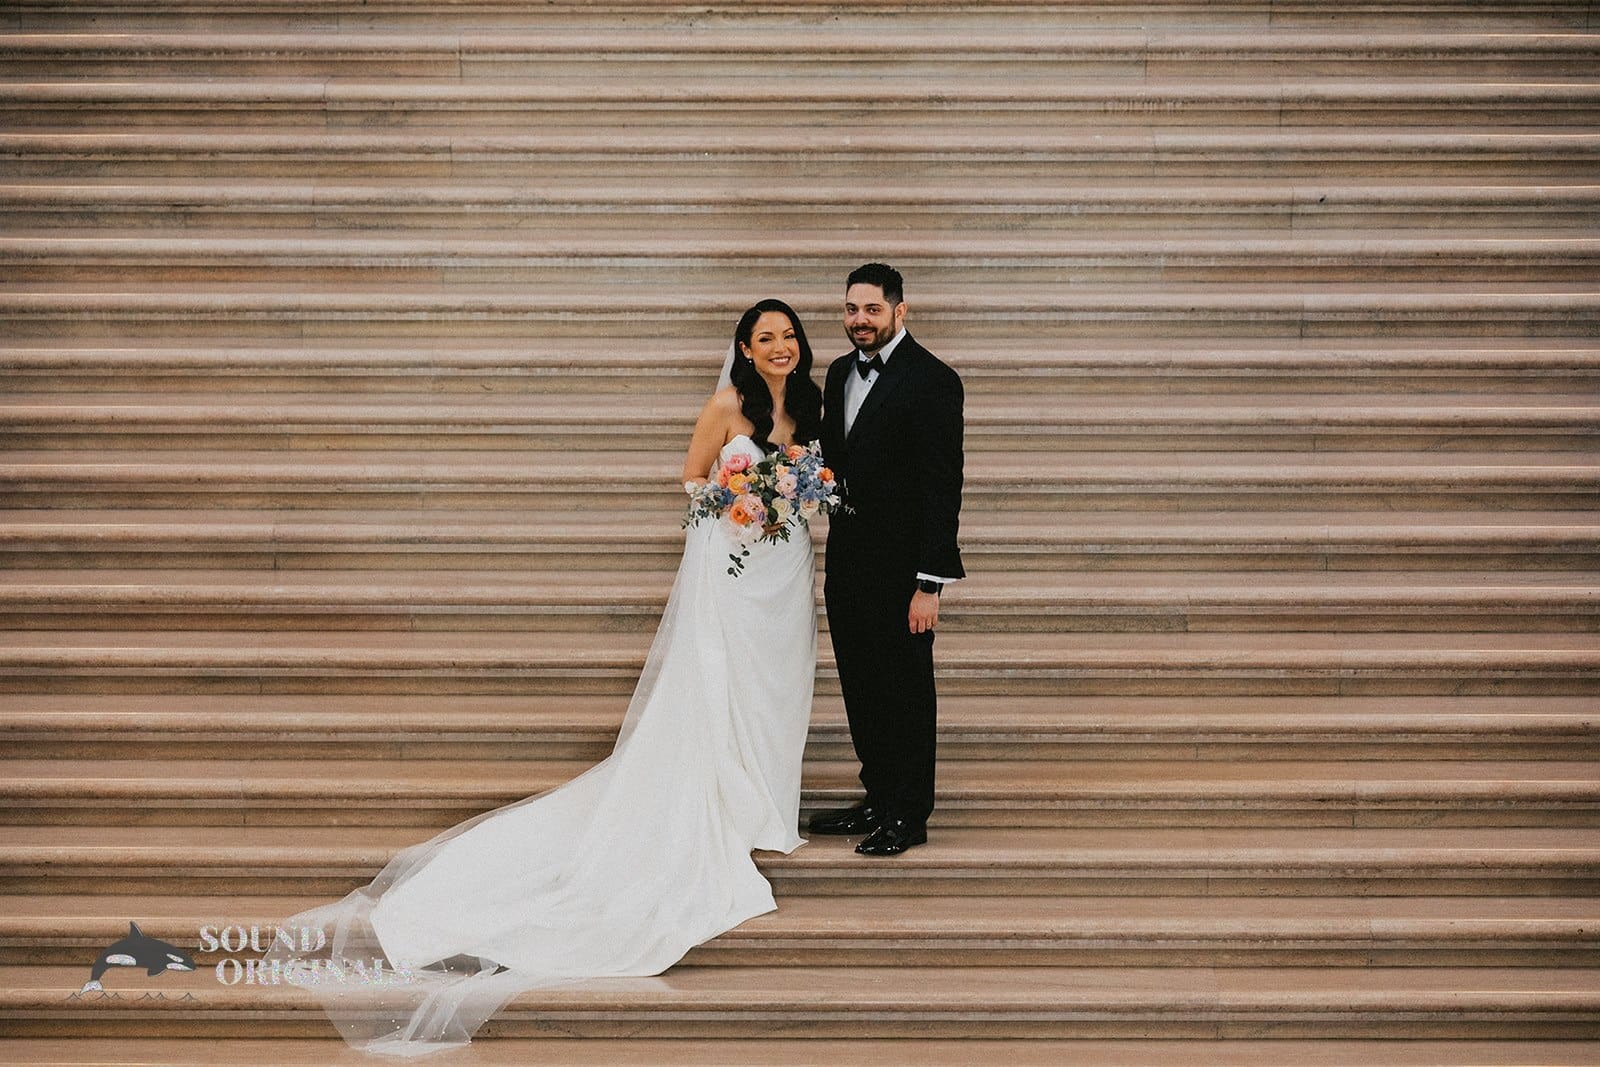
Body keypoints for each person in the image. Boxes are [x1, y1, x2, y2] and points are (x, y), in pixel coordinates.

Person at [264, 299, 824, 1055]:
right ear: (744, 348)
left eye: (789, 335)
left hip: (784, 573)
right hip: (734, 567)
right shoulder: (728, 404)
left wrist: (791, 497)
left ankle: (767, 799)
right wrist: (742, 501)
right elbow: (691, 479)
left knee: (776, 688)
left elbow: (817, 476)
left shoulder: (815, 403)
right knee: (725, 687)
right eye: (766, 338)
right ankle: (729, 798)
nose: (781, 346)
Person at [809, 263, 965, 856]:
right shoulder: (840, 373)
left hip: (905, 574)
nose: (859, 321)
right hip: (848, 563)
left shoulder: (934, 381)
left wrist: (930, 583)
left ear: (900, 311)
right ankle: (876, 795)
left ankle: (909, 813)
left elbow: (941, 487)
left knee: (904, 690)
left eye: (872, 310)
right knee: (860, 684)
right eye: (851, 309)